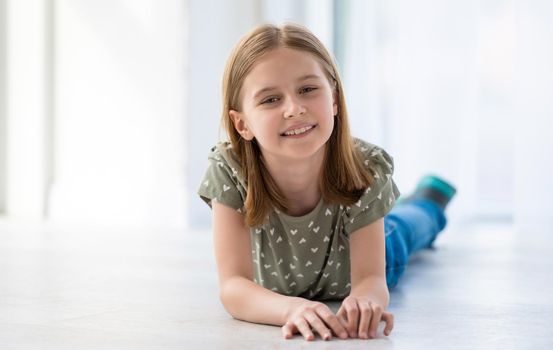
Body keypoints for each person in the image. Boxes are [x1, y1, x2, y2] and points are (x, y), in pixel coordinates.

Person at [197, 22, 456, 342]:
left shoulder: (365, 168)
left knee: (409, 225)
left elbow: (371, 278)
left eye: (307, 89)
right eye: (270, 100)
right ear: (242, 123)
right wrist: (291, 309)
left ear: (334, 98)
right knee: (398, 217)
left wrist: (365, 302)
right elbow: (233, 286)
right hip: (292, 283)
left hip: (371, 254)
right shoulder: (229, 170)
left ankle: (427, 200)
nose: (294, 109)